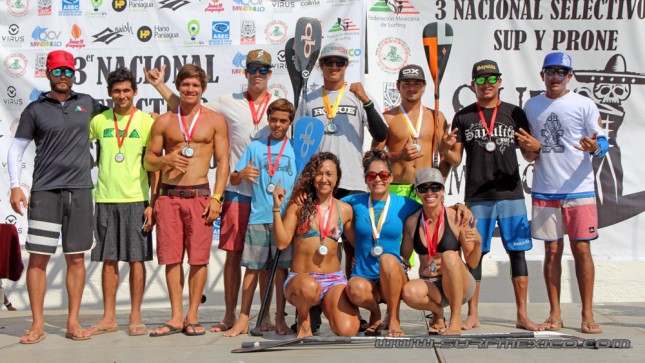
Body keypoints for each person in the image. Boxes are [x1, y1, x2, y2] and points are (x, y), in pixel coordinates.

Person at [145, 49, 279, 333]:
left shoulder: (275, 108)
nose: (258, 73)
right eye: (252, 68)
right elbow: (183, 111)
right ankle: (203, 316)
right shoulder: (225, 104)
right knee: (194, 258)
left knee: (251, 260)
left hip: (250, 196)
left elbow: (224, 159)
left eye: (263, 69)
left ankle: (254, 317)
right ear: (245, 72)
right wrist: (159, 86)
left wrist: (216, 196)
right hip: (204, 193)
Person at [8, 50, 107, 343]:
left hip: (79, 192)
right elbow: (16, 149)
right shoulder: (35, 109)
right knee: (38, 260)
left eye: (68, 72)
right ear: (49, 74)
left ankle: (73, 322)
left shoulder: (87, 103)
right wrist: (15, 185)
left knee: (76, 260)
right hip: (45, 192)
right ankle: (37, 325)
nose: (63, 77)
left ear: (74, 74)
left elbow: (123, 118)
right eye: (58, 71)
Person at [440, 59, 543, 331]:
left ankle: (522, 314)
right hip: (477, 197)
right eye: (480, 80)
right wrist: (442, 148)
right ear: (472, 84)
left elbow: (529, 154)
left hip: (511, 195)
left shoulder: (514, 113)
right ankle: (473, 315)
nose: (486, 85)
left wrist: (536, 148)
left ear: (499, 82)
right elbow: (455, 157)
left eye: (491, 79)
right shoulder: (463, 116)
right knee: (475, 254)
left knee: (517, 253)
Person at [303, 41, 388, 330]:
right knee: (316, 246)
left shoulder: (356, 97)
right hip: (321, 183)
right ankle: (312, 312)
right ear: (321, 66)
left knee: (355, 248)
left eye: (340, 62)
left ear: (346, 66)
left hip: (351, 181)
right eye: (329, 62)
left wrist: (366, 100)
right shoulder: (310, 98)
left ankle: (354, 309)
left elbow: (381, 132)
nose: (334, 67)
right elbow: (301, 142)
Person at [523, 52, 608, 334]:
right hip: (546, 188)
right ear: (542, 75)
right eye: (550, 71)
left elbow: (602, 141)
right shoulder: (531, 105)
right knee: (552, 251)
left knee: (582, 249)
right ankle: (555, 313)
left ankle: (587, 313)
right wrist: (530, 148)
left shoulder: (584, 104)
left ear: (569, 76)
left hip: (579, 189)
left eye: (561, 71)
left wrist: (595, 147)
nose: (555, 76)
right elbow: (528, 150)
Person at [144, 64, 229, 337]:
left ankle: (192, 315)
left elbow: (225, 162)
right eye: (185, 85)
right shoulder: (164, 121)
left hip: (200, 196)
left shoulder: (215, 120)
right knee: (171, 259)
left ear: (203, 89)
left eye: (195, 85)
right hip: (168, 197)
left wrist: (217, 197)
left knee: (199, 260)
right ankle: (176, 316)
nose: (190, 90)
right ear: (178, 87)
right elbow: (148, 160)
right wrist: (165, 159)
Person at [87, 67, 157, 337]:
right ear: (109, 94)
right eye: (116, 91)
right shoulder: (99, 121)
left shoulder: (146, 122)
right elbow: (75, 141)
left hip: (137, 199)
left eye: (127, 90)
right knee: (108, 260)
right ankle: (108, 317)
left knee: (137, 260)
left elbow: (155, 166)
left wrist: (152, 201)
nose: (122, 95)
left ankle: (136, 316)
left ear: (135, 92)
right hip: (105, 198)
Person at [224, 99, 296, 337]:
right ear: (268, 119)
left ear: (290, 122)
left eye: (283, 121)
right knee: (252, 270)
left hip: (284, 221)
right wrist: (241, 173)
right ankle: (243, 319)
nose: (277, 125)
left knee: (281, 272)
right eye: (274, 119)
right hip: (258, 217)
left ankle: (279, 319)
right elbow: (234, 179)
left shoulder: (296, 148)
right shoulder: (255, 147)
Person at [271, 152, 359, 338]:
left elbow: (359, 243)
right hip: (301, 280)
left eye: (329, 174)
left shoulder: (345, 210)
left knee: (347, 330)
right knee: (310, 288)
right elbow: (281, 243)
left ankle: (326, 308)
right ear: (312, 177)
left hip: (333, 280)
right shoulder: (299, 205)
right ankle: (304, 319)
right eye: (319, 174)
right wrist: (277, 209)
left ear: (337, 178)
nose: (324, 179)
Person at [342, 150, 421, 337]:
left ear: (391, 177)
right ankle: (375, 313)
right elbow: (327, 203)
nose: (378, 179)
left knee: (387, 259)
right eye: (372, 175)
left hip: (393, 275)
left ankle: (393, 317)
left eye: (383, 175)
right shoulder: (354, 201)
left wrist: (459, 208)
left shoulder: (404, 203)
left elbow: (433, 206)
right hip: (364, 276)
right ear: (365, 179)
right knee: (354, 289)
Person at [401, 168, 482, 335]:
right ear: (417, 192)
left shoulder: (456, 217)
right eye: (423, 188)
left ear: (443, 191)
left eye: (435, 187)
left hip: (460, 285)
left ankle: (455, 319)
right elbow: (404, 259)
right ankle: (437, 312)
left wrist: (478, 243)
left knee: (449, 256)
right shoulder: (412, 222)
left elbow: (472, 263)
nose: (429, 192)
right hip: (431, 286)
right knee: (409, 292)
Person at [374, 64, 450, 198]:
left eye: (417, 84)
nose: (412, 88)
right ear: (398, 86)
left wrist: (440, 184)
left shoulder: (436, 116)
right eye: (407, 84)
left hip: (427, 188)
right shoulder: (387, 118)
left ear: (424, 86)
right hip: (396, 187)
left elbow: (445, 156)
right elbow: (374, 156)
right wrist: (400, 155)